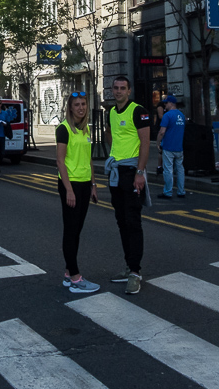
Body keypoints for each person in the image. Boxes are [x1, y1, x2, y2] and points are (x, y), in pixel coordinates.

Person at [103, 75, 150, 295]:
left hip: (132, 173)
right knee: (121, 221)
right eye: (116, 88)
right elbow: (110, 135)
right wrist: (115, 156)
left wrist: (140, 172)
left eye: (123, 88)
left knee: (133, 221)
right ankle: (128, 266)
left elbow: (145, 143)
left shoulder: (138, 111)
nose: (119, 91)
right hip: (116, 173)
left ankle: (135, 272)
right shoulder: (111, 112)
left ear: (129, 91)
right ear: (112, 90)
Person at [56, 92, 99, 293]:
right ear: (70, 108)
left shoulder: (86, 129)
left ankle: (68, 272)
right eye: (76, 105)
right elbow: (60, 161)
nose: (81, 107)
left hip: (84, 183)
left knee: (77, 229)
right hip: (70, 184)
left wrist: (93, 184)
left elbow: (89, 159)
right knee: (71, 230)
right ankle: (75, 278)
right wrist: (69, 190)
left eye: (83, 104)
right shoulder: (63, 129)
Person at [156, 95, 187, 199]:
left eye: (166, 103)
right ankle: (181, 191)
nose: (164, 105)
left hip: (169, 146)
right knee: (180, 169)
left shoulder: (167, 115)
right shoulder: (181, 115)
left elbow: (162, 132)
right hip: (179, 147)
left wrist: (158, 143)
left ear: (171, 103)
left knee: (168, 170)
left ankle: (168, 192)